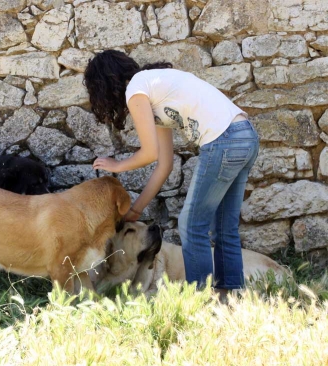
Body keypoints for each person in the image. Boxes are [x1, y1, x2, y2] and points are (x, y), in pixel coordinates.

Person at [83, 50, 259, 297]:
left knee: (190, 224)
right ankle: (229, 296)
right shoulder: (156, 91)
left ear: (105, 83)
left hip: (225, 140)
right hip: (245, 135)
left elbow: (149, 153)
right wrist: (134, 212)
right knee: (224, 226)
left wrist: (116, 165)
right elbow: (164, 165)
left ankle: (199, 299)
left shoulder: (136, 89)